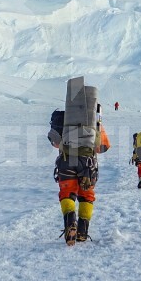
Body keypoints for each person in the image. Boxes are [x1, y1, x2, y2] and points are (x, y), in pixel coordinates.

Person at [49, 77, 111, 246]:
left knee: (67, 194)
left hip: (66, 160)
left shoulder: (64, 121)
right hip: (88, 164)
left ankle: (70, 222)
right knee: (87, 196)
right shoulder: (96, 126)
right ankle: (83, 232)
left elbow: (55, 142)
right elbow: (104, 147)